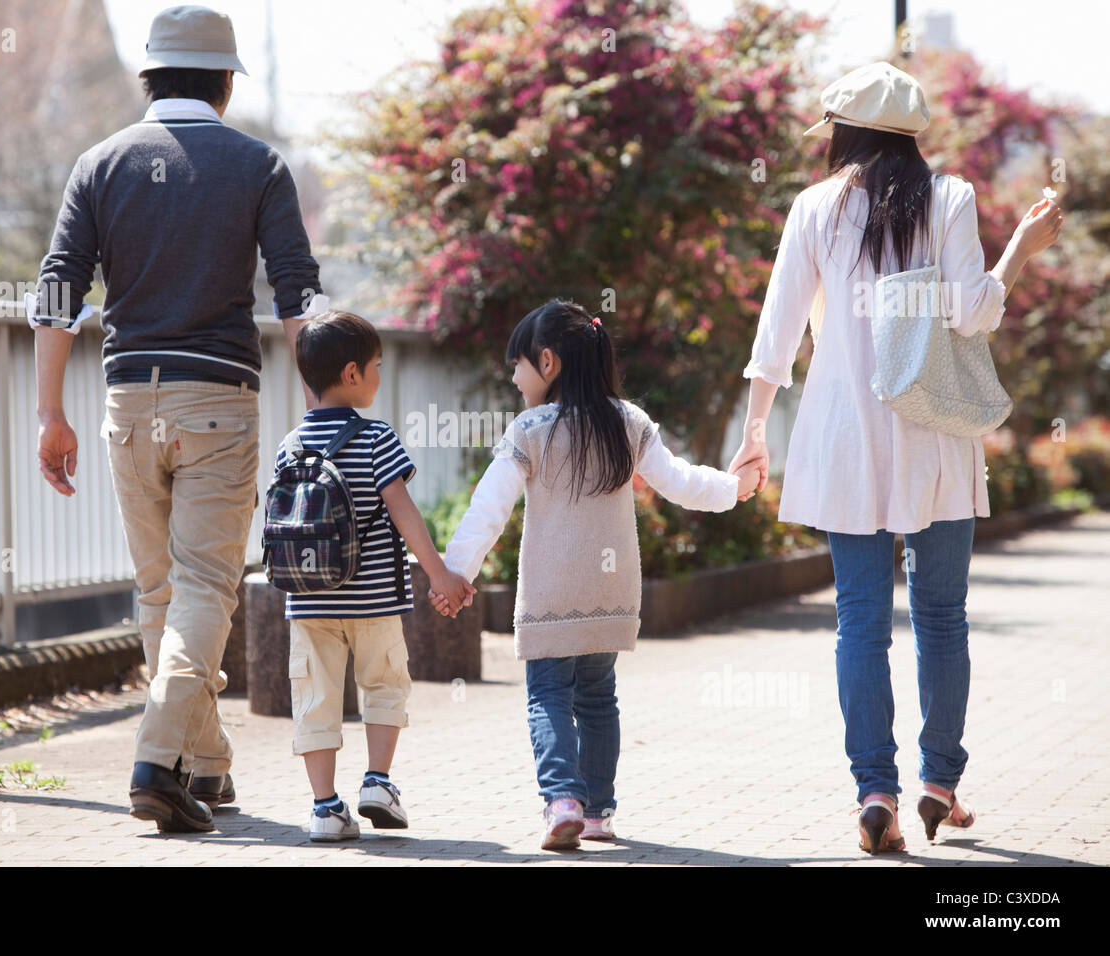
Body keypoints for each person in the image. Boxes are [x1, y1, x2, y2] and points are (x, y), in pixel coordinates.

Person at [727, 62, 1064, 853]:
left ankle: (873, 792)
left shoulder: (813, 208)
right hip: (934, 437)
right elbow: (973, 313)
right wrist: (1018, 247)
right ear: (911, 133)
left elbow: (775, 337)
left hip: (844, 443)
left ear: (844, 133)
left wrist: (753, 432)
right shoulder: (950, 197)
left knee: (860, 623)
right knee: (943, 618)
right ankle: (939, 783)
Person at [31, 5, 327, 832]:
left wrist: (49, 412)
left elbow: (58, 291)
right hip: (219, 402)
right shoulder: (258, 166)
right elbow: (298, 295)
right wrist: (320, 412)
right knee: (205, 587)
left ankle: (208, 763)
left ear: (150, 77)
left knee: (163, 590)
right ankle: (158, 759)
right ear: (226, 83)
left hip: (126, 400)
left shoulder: (100, 162)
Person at [430, 300, 760, 850]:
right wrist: (735, 488)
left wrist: (455, 574)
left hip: (551, 593)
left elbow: (489, 510)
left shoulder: (529, 430)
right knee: (598, 696)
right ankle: (598, 812)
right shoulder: (628, 422)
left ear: (549, 362)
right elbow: (679, 483)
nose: (513, 377)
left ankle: (562, 800)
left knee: (547, 696)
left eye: (518, 364)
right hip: (611, 591)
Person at [274, 310, 476, 842]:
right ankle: (377, 782)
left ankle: (324, 808)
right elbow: (403, 511)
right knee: (384, 685)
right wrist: (440, 576)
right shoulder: (376, 438)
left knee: (314, 698)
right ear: (351, 374)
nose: (380, 376)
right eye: (377, 366)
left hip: (308, 603)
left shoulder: (289, 446)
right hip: (375, 601)